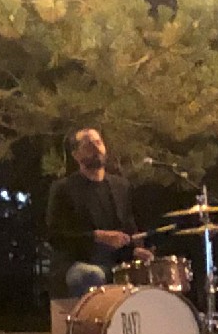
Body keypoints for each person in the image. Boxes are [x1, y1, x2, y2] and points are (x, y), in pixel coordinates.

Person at [44, 127, 144, 296]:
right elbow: (55, 237)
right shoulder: (64, 189)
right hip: (77, 262)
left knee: (149, 270)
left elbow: (128, 228)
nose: (96, 149)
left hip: (116, 261)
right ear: (76, 155)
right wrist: (97, 236)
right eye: (89, 145)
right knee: (91, 275)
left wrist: (136, 251)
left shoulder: (121, 186)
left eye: (99, 143)